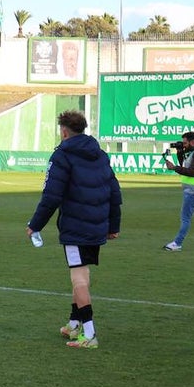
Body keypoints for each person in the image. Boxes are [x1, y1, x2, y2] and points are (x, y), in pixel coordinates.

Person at [27, 110, 122, 349]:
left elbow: (51, 195)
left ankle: (89, 334)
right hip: (97, 224)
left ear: (64, 131)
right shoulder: (99, 154)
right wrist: (113, 225)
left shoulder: (62, 155)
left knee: (78, 277)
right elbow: (114, 191)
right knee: (83, 273)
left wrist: (35, 225)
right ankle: (74, 323)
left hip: (76, 225)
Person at [162, 131, 194, 251]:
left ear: (192, 142)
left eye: (185, 143)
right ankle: (177, 243)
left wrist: (174, 168)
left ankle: (177, 243)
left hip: (193, 192)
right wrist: (180, 152)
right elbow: (184, 165)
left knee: (185, 219)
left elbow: (191, 171)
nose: (184, 145)